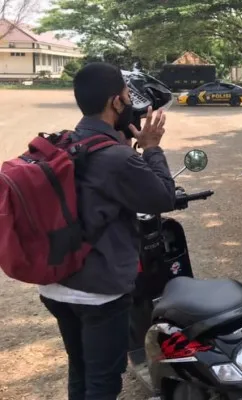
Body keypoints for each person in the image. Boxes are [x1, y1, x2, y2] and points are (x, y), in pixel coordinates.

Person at [37, 62, 176, 400]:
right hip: (98, 293)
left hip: (56, 286)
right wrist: (152, 148)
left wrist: (130, 144)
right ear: (116, 102)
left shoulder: (64, 144)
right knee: (103, 381)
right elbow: (163, 197)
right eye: (128, 96)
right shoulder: (116, 157)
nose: (130, 101)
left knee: (81, 369)